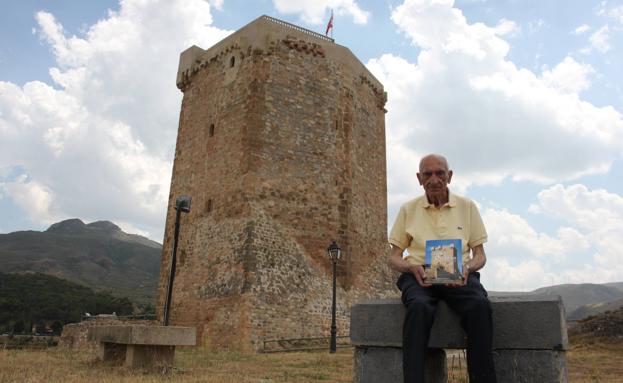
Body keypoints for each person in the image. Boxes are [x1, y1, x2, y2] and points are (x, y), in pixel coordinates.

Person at [388, 154, 497, 383]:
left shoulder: (467, 207)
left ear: (450, 176)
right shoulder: (408, 209)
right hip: (419, 275)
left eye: (440, 173)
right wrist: (411, 267)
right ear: (419, 178)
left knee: (479, 306)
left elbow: (480, 255)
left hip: (460, 275)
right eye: (428, 174)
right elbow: (394, 257)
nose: (434, 179)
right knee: (418, 307)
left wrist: (467, 268)